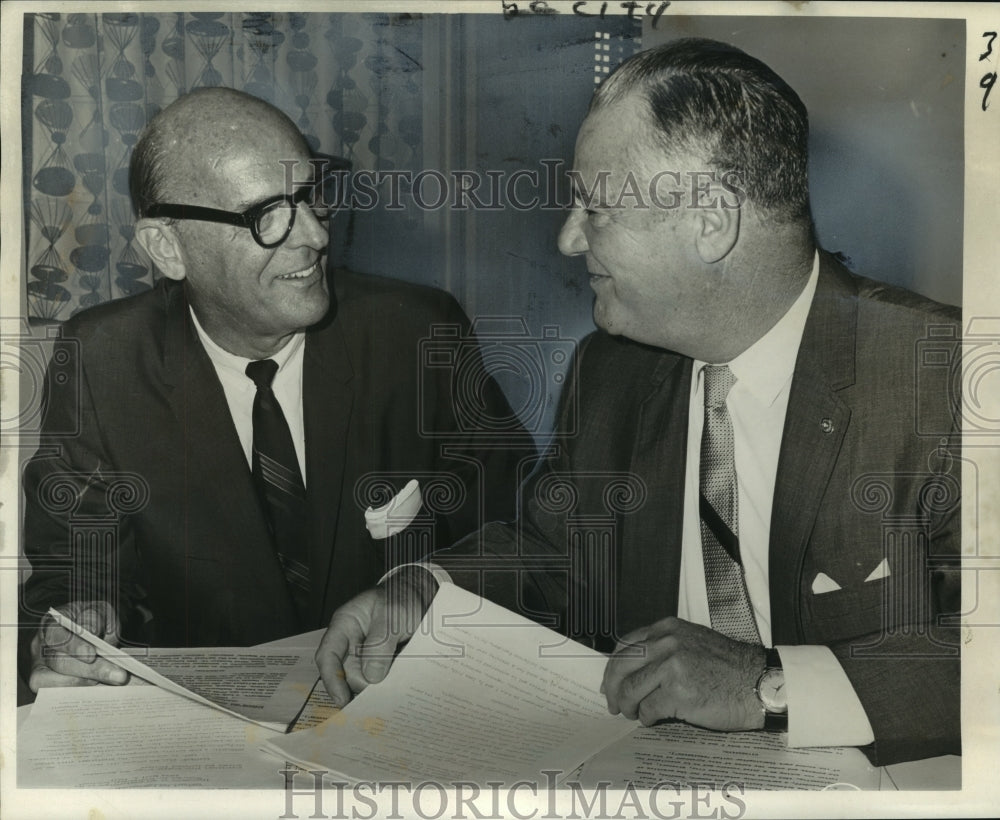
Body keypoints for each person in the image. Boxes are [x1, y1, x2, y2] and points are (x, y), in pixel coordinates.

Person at [315, 38, 961, 767]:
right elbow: (552, 555)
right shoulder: (612, 370)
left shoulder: (942, 376)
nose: (565, 238)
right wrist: (425, 590)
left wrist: (767, 684)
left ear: (711, 221)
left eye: (595, 206)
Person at [19, 87, 527, 695]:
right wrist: (80, 621)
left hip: (402, 703)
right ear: (168, 248)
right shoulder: (104, 360)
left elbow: (524, 531)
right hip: (206, 732)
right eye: (267, 215)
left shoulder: (417, 333)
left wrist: (427, 581)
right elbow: (73, 569)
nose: (313, 235)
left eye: (311, 196)